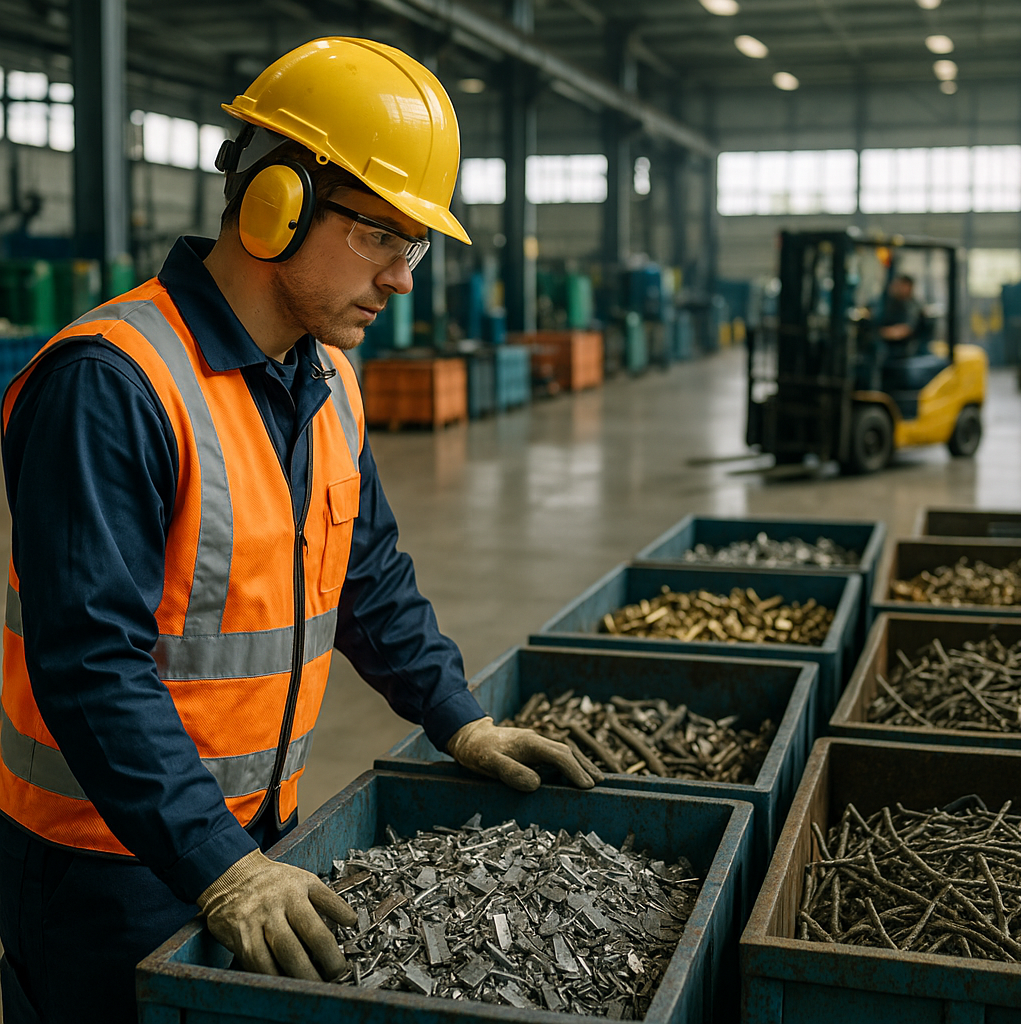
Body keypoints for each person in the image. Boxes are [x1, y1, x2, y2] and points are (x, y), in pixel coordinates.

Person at [0, 37, 599, 1024]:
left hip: (248, 844)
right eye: (383, 239)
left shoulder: (326, 381)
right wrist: (218, 863)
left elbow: (365, 573)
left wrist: (458, 712)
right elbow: (90, 664)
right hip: (100, 866)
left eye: (417, 247)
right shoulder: (113, 382)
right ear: (276, 202)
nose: (403, 279)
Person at [879, 273, 923, 355]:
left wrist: (879, 333)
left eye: (901, 285)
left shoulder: (912, 306)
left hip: (905, 351)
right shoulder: (891, 302)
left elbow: (904, 330)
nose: (897, 288)